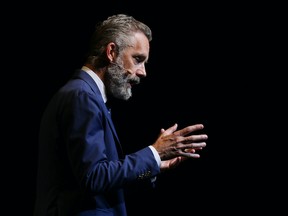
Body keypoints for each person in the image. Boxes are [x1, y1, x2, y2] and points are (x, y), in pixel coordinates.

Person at [33, 14, 208, 216]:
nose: (143, 72)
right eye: (137, 59)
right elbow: (94, 177)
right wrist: (154, 152)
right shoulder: (82, 96)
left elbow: (98, 182)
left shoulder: (85, 96)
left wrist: (154, 164)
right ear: (111, 52)